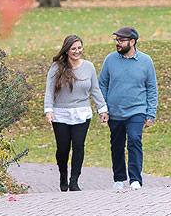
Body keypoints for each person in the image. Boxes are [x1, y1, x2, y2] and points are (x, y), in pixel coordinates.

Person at [44, 35, 108, 192]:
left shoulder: (89, 67)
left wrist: (103, 109)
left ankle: (74, 181)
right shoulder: (56, 67)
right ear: (66, 50)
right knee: (63, 148)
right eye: (73, 49)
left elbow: (95, 89)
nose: (77, 51)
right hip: (61, 113)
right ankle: (63, 175)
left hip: (82, 112)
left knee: (79, 146)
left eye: (79, 48)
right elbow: (49, 90)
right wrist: (48, 110)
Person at [98, 26, 157, 190]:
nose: (117, 43)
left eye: (121, 41)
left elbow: (152, 88)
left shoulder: (146, 61)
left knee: (134, 141)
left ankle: (135, 179)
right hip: (114, 112)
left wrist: (150, 114)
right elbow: (102, 84)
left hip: (137, 111)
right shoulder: (110, 60)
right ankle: (119, 178)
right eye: (116, 40)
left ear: (132, 42)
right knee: (116, 145)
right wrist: (103, 109)